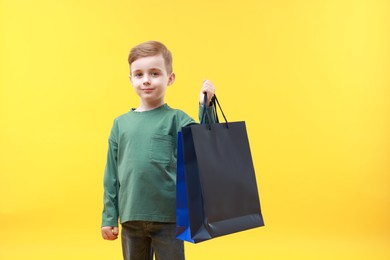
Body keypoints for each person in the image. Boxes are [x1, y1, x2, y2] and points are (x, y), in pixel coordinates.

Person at [101, 40, 216, 260]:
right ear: (131, 79)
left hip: (169, 217)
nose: (146, 80)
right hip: (130, 217)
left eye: (154, 73)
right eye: (139, 74)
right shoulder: (120, 124)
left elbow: (204, 143)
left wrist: (206, 106)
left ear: (169, 78)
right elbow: (111, 175)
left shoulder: (176, 118)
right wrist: (109, 217)